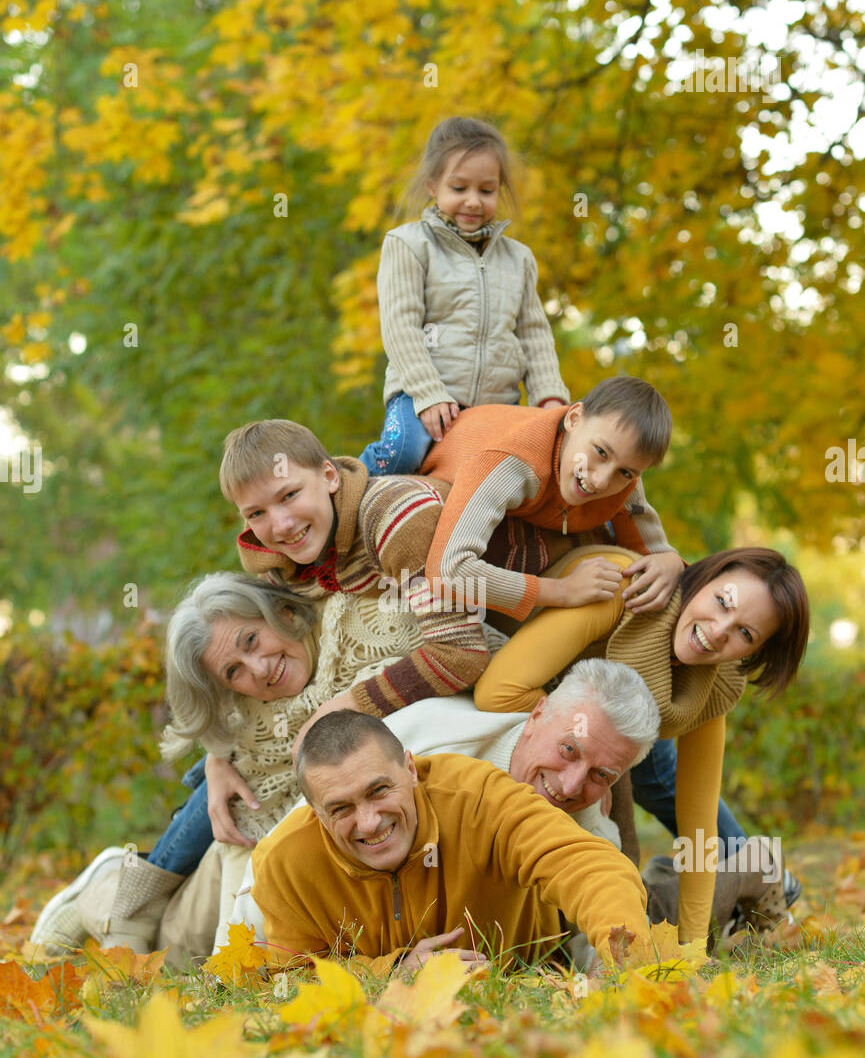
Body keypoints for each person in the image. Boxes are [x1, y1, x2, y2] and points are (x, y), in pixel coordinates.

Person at [29, 573, 431, 957]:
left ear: (284, 613)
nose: (259, 669)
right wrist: (215, 760)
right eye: (233, 671)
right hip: (219, 875)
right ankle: (108, 892)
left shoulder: (364, 631)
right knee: (173, 948)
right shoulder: (249, 733)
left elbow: (455, 656)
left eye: (252, 640)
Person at [473, 544, 810, 944]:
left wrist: (693, 948)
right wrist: (584, 749)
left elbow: (697, 828)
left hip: (623, 742)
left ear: (754, 653)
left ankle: (752, 866)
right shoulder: (624, 589)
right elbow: (497, 692)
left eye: (745, 634)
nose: (720, 630)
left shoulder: (713, 686)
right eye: (722, 602)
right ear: (701, 579)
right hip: (522, 710)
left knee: (621, 905)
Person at [251, 711, 655, 975]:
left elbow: (590, 867)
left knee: (667, 898)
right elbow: (293, 979)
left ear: (410, 769)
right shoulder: (284, 863)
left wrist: (629, 962)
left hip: (561, 945)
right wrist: (394, 972)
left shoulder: (477, 796)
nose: (369, 822)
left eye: (378, 791)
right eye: (340, 809)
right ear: (315, 812)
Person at [222, 417, 491, 732]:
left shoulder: (396, 519)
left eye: (289, 495)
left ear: (329, 476)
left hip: (533, 597)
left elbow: (462, 654)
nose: (281, 525)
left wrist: (346, 706)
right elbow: (230, 654)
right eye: (256, 513)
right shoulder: (284, 563)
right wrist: (218, 757)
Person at [357, 115, 571, 476]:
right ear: (432, 185)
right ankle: (340, 492)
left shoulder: (518, 259)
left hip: (497, 403)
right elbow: (400, 328)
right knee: (404, 453)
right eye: (459, 189)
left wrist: (550, 396)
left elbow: (534, 335)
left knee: (543, 466)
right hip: (420, 394)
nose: (473, 201)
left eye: (486, 191)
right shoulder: (408, 245)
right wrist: (429, 394)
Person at [420, 375, 685, 623]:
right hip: (454, 446)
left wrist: (671, 561)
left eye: (625, 472)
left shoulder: (623, 482)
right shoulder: (511, 461)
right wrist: (563, 591)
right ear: (574, 418)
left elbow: (656, 553)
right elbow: (447, 573)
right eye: (601, 452)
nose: (601, 480)